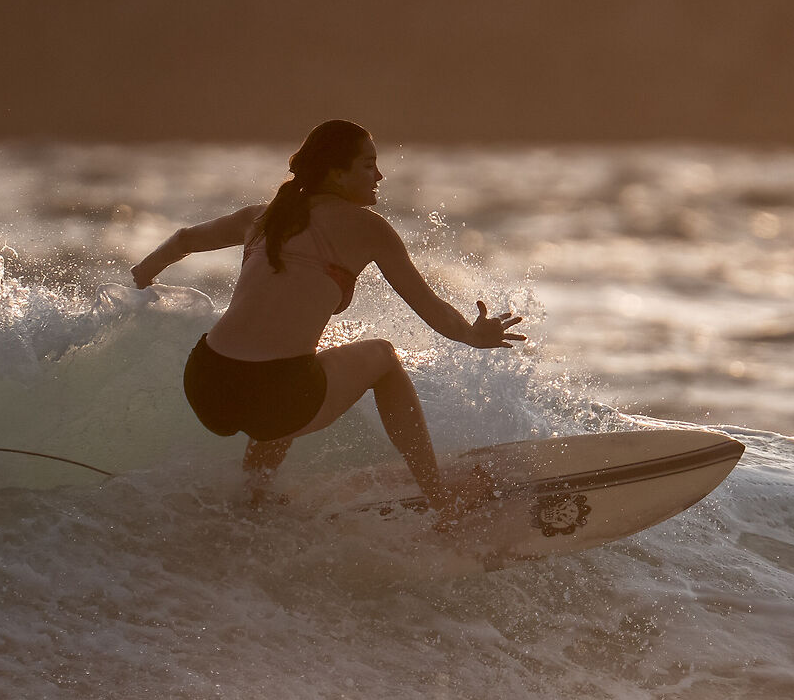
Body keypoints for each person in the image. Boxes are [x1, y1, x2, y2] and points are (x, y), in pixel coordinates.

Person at [129, 119, 525, 507]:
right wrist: (473, 335)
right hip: (277, 395)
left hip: (207, 383)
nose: (379, 176)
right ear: (336, 173)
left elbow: (184, 239)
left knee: (296, 363)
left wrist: (144, 274)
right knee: (382, 357)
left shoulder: (263, 217)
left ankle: (254, 493)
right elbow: (431, 308)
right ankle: (439, 497)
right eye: (368, 165)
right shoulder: (368, 228)